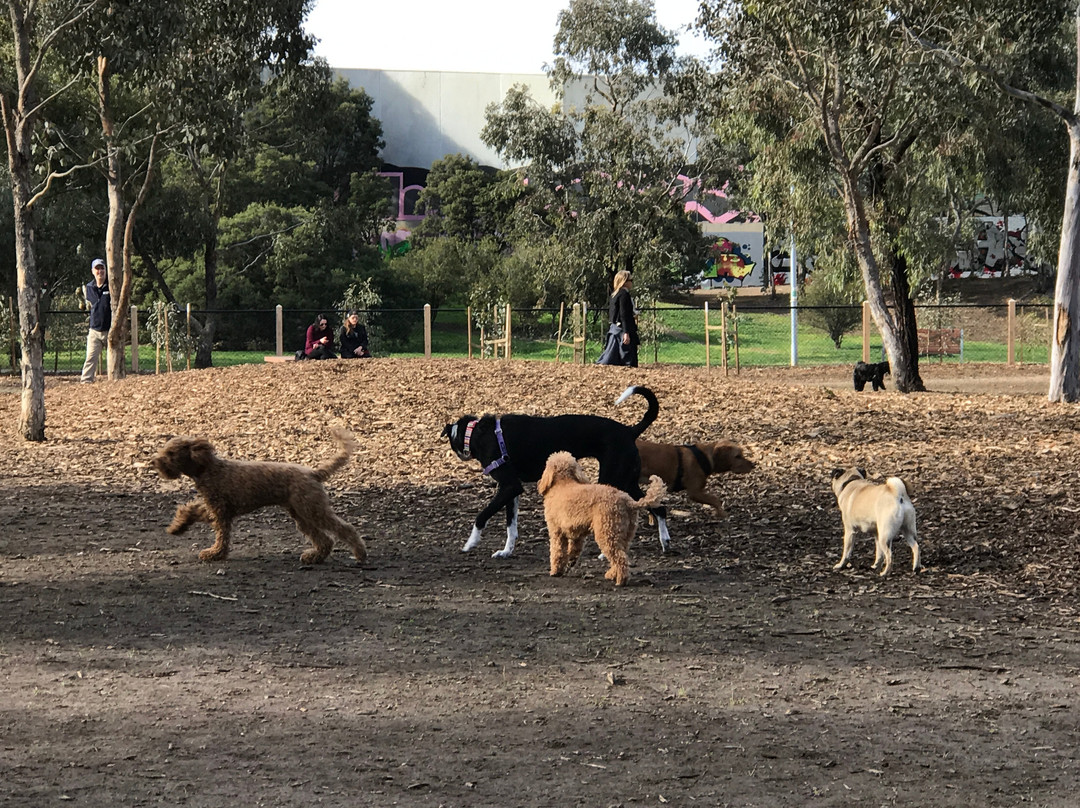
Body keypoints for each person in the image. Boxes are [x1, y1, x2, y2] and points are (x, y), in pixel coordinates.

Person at [596, 269, 638, 367]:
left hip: (614, 329)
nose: (632, 282)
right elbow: (624, 314)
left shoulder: (615, 294)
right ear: (624, 282)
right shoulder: (624, 295)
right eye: (630, 280)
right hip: (622, 330)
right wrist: (626, 332)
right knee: (627, 358)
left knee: (611, 356)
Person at [80, 258, 110, 383]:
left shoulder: (111, 285)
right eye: (97, 269)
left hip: (110, 330)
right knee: (90, 358)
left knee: (114, 358)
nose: (100, 271)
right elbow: (87, 305)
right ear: (93, 271)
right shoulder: (89, 287)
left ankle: (116, 381)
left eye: (102, 268)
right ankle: (86, 381)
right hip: (94, 330)